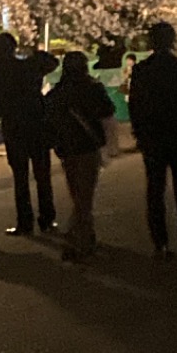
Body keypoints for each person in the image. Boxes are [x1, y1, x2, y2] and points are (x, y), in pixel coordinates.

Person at [129, 22, 177, 257]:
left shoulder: (142, 70)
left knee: (155, 189)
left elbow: (136, 106)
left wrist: (139, 133)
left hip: (153, 136)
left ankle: (160, 240)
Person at [44, 51, 115, 261]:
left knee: (78, 193)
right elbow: (107, 112)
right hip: (87, 147)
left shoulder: (57, 93)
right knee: (84, 197)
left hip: (66, 149)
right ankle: (79, 242)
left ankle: (84, 236)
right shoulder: (92, 88)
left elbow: (49, 121)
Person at [0, 33, 58, 236]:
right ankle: (47, 218)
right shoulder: (28, 66)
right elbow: (51, 62)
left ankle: (25, 222)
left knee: (20, 177)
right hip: (36, 123)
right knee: (42, 174)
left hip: (14, 126)